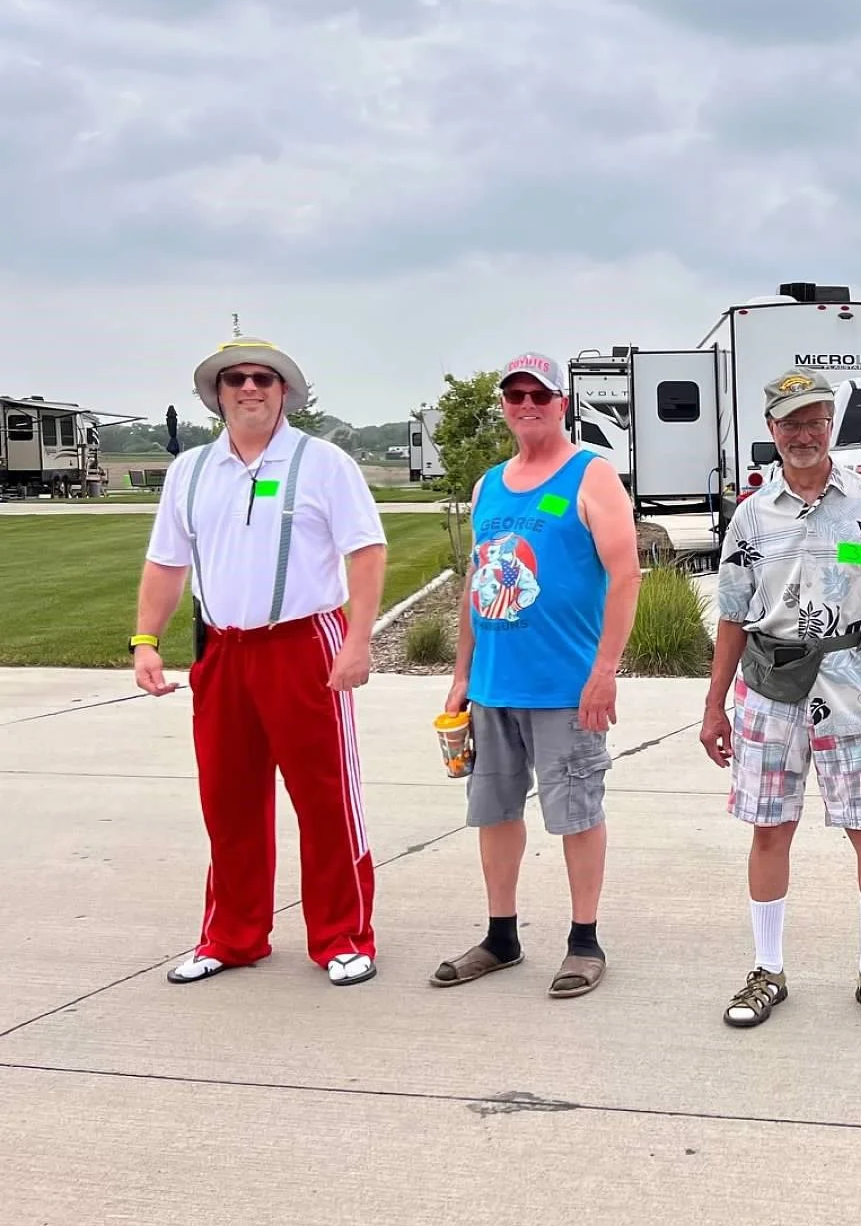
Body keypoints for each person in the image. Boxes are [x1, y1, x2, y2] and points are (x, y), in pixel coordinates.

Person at [134, 335, 387, 988]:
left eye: (263, 379)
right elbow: (166, 562)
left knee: (325, 798)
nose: (249, 388)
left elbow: (365, 552)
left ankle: (342, 935)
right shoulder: (191, 471)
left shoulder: (322, 463)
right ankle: (233, 935)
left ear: (284, 392)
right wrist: (145, 640)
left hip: (304, 645)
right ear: (216, 394)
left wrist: (358, 641)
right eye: (235, 379)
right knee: (229, 800)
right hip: (224, 651)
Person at [700, 370, 861, 1031]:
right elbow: (732, 615)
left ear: (831, 425)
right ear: (771, 429)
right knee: (770, 828)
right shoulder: (751, 515)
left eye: (815, 421)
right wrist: (714, 707)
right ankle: (767, 969)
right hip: (769, 690)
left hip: (855, 689)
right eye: (791, 422)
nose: (804, 434)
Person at [432, 353, 642, 998]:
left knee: (576, 812)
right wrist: (462, 673)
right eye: (515, 396)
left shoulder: (591, 475)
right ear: (504, 406)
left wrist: (604, 671)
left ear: (561, 404)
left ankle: (584, 941)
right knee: (493, 812)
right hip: (494, 685)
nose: (527, 405)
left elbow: (625, 574)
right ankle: (501, 936)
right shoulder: (489, 485)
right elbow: (477, 582)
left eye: (539, 395)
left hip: (565, 687)